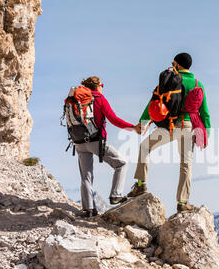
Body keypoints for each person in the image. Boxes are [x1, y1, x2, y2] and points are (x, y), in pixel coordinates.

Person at [127, 53, 211, 213]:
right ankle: (183, 203)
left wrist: (142, 123)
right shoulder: (198, 84)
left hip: (170, 126)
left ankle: (140, 185)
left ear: (178, 64)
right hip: (188, 127)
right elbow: (204, 112)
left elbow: (153, 103)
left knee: (145, 147)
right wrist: (205, 135)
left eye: (173, 63)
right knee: (186, 164)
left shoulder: (169, 80)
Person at [76, 76, 141, 218]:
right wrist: (133, 127)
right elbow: (114, 119)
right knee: (121, 163)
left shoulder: (78, 100)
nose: (102, 87)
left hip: (79, 142)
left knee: (86, 177)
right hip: (95, 141)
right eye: (102, 85)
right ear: (97, 86)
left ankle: (89, 210)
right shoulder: (99, 99)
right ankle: (116, 195)